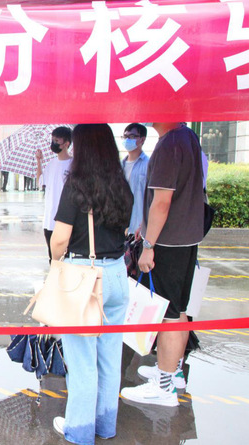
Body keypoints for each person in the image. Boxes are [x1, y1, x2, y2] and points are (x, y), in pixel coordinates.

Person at [50, 124, 133, 444]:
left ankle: (80, 430)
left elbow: (60, 239)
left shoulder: (77, 186)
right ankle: (105, 425)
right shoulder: (122, 184)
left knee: (82, 360)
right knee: (110, 357)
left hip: (85, 277)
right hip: (117, 274)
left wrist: (55, 263)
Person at [121, 123, 204, 407]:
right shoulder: (187, 136)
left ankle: (164, 386)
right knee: (178, 311)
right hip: (185, 241)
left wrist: (148, 245)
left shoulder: (169, 144)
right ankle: (173, 372)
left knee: (168, 314)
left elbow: (162, 202)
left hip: (167, 243)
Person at [36, 126, 72, 263]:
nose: (53, 143)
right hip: (49, 220)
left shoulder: (73, 164)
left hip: (66, 221)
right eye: (53, 140)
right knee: (53, 260)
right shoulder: (51, 164)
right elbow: (41, 182)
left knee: (66, 260)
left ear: (66, 143)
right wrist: (39, 161)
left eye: (57, 141)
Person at [121, 123, 149, 235]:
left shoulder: (148, 165)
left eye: (132, 136)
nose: (128, 140)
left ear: (142, 139)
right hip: (120, 225)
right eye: (125, 136)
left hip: (139, 227)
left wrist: (145, 224)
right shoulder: (119, 165)